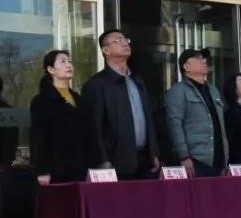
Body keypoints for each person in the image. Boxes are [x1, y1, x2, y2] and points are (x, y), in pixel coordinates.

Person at [81, 29, 160, 179]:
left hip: (145, 161)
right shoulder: (97, 84)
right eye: (117, 41)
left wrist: (154, 153)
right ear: (105, 50)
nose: (124, 43)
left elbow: (149, 119)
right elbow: (94, 128)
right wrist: (103, 160)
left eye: (125, 40)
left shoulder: (137, 80)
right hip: (116, 163)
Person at [165, 48, 227, 178]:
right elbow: (174, 124)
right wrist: (184, 156)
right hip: (195, 161)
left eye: (204, 58)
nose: (204, 61)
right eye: (199, 59)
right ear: (186, 66)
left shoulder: (213, 90)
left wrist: (225, 159)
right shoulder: (178, 91)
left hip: (218, 161)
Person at [29, 50, 86, 184]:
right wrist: (42, 171)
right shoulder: (42, 100)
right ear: (51, 69)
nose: (69, 65)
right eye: (63, 62)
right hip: (56, 169)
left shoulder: (79, 99)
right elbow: (38, 137)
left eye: (70, 62)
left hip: (80, 167)